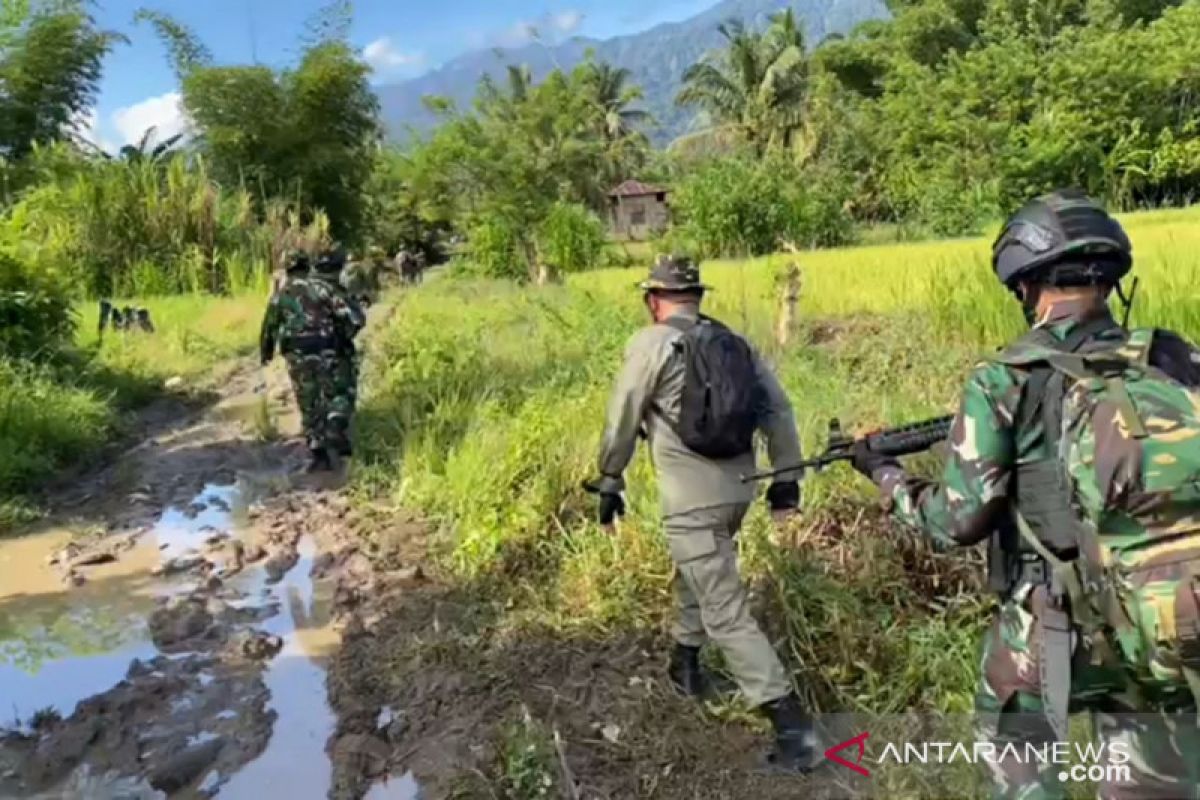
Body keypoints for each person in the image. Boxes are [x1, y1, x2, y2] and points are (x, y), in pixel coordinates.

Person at [850, 189, 1200, 799]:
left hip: (1054, 624)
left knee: (1019, 760)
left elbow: (957, 520)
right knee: (1156, 781)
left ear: (1025, 285)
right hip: (1165, 618)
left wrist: (887, 477)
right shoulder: (1174, 356)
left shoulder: (1003, 379)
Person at [590, 253, 818, 772]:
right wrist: (786, 483)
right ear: (699, 297)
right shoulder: (735, 343)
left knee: (727, 612)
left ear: (653, 300)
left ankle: (794, 731)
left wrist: (610, 480)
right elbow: (779, 411)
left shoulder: (651, 343)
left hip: (690, 501)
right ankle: (685, 665)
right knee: (699, 575)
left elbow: (622, 415)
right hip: (740, 492)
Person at [260, 248, 365, 472]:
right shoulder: (322, 288)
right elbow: (354, 318)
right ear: (307, 266)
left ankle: (318, 454)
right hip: (328, 350)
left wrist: (266, 353)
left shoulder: (281, 295)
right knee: (337, 392)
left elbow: (269, 327)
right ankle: (335, 427)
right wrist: (344, 337)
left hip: (296, 356)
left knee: (308, 401)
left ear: (287, 269)